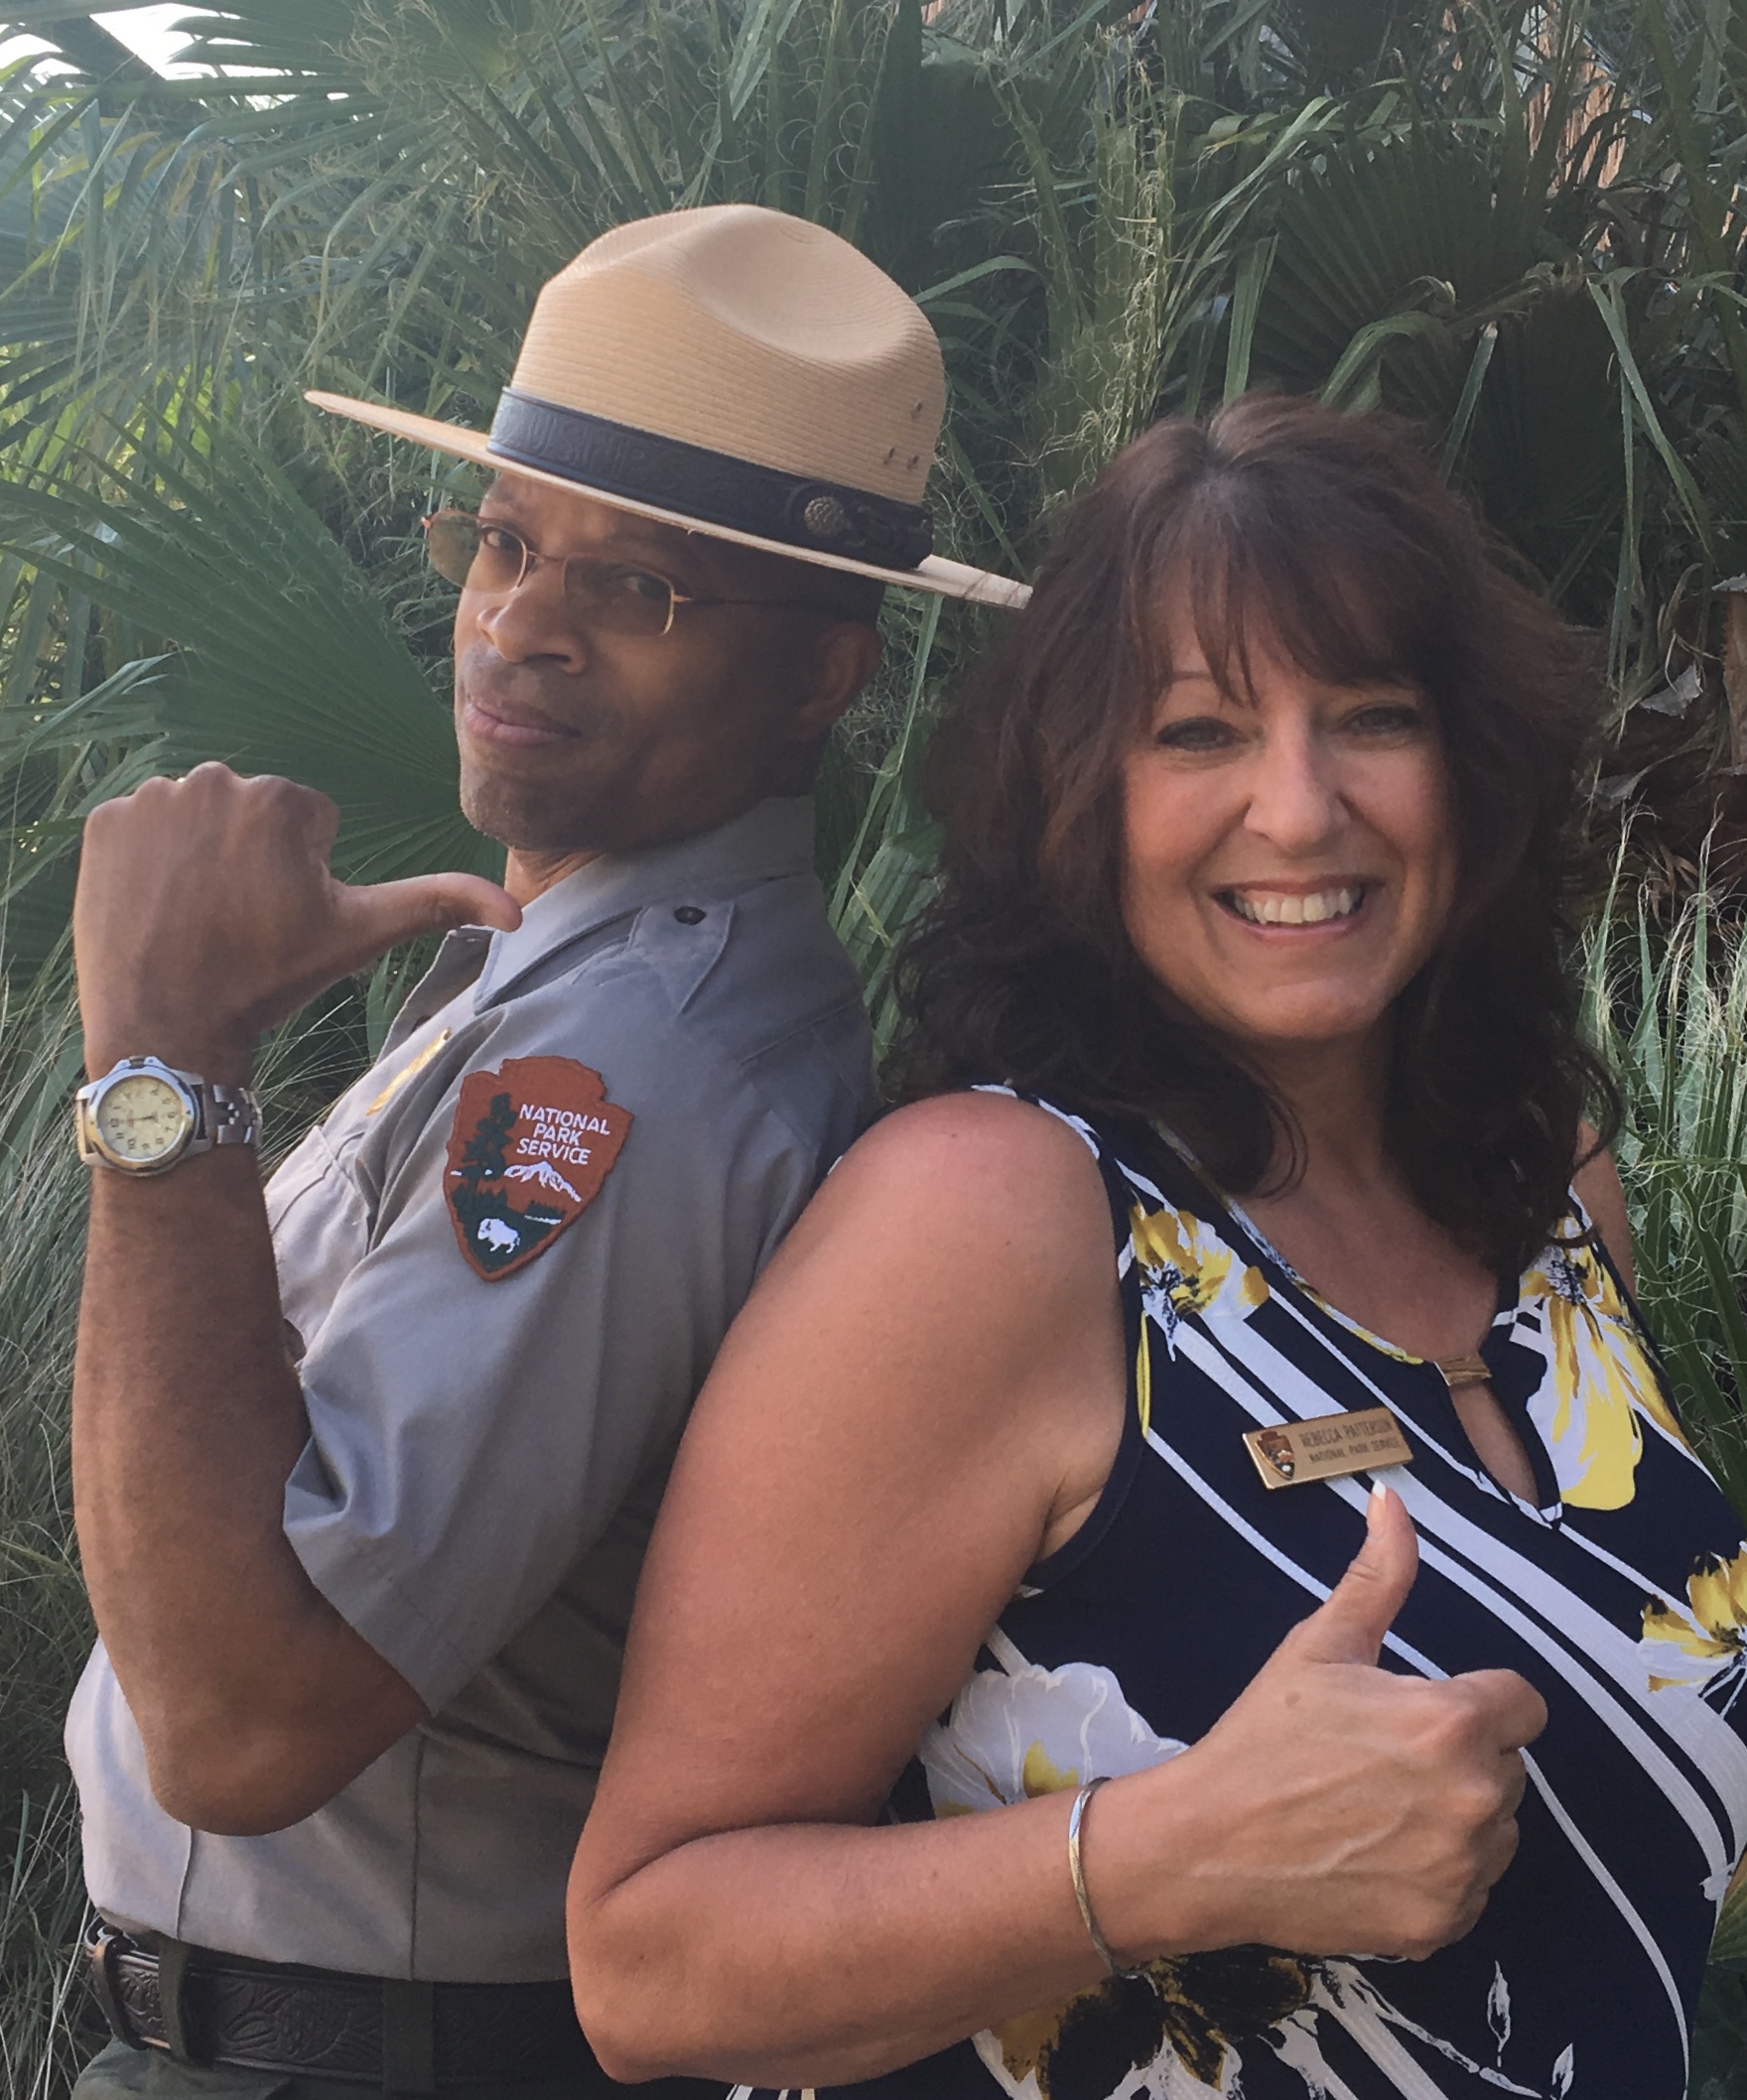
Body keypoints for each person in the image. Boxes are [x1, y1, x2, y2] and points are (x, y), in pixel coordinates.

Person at [566, 395, 1747, 2100]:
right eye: (1199, 734)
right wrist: (1179, 1856)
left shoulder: (1548, 1196)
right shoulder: (993, 1215)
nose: (1299, 807)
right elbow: (649, 1963)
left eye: (1374, 717)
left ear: (1470, 770)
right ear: (1082, 793)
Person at [64, 202, 1025, 2100]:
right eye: (503, 541)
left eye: (639, 589)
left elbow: (247, 1728)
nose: (522, 620)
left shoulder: (638, 1074)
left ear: (824, 676)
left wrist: (160, 1072)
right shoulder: (552, 987)